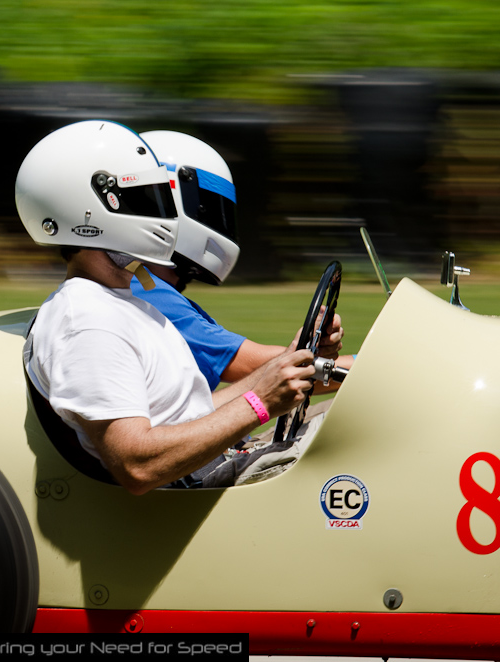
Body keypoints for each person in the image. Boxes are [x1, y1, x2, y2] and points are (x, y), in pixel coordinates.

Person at [17, 120, 316, 495]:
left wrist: (278, 372)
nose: (166, 218)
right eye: (145, 198)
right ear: (92, 211)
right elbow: (137, 465)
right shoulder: (89, 322)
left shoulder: (125, 301)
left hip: (201, 473)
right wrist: (261, 403)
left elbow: (187, 414)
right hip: (181, 497)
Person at [132, 130, 353, 391]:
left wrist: (306, 355)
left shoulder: (139, 283)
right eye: (210, 207)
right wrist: (379, 364)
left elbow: (279, 376)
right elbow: (265, 370)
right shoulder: (147, 293)